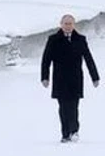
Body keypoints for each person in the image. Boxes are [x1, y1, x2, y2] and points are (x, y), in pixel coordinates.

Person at [41, 14, 100, 143]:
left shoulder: (80, 39)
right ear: (61, 25)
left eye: (70, 24)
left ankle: (74, 130)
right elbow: (46, 60)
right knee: (63, 107)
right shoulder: (53, 40)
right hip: (60, 79)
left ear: (74, 25)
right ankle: (65, 134)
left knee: (74, 106)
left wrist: (95, 77)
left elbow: (88, 59)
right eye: (65, 24)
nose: (68, 26)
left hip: (75, 78)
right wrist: (45, 77)